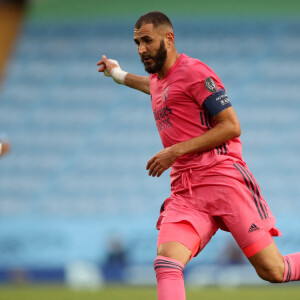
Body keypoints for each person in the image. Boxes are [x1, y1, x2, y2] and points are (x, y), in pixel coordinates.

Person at [97, 11, 300, 299]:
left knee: (273, 271)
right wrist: (117, 74)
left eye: (147, 41)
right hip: (186, 191)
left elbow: (231, 126)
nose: (141, 49)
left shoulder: (195, 72)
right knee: (166, 262)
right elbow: (153, 87)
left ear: (169, 38)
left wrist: (174, 152)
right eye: (136, 43)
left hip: (223, 180)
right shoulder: (159, 79)